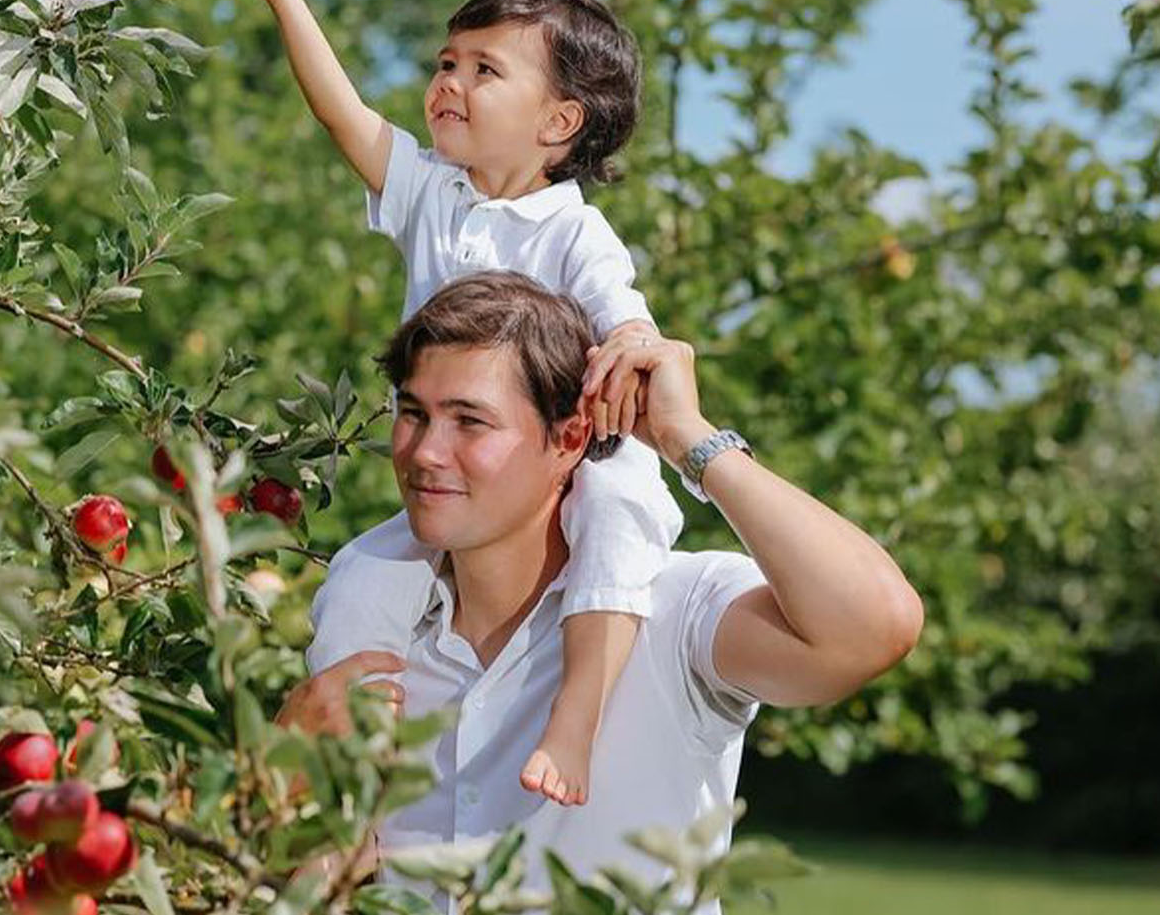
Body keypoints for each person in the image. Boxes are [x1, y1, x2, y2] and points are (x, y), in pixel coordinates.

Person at [210, 0, 679, 806]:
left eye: (485, 70)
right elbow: (341, 112)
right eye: (446, 63)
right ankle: (357, 782)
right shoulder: (432, 192)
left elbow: (629, 326)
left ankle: (574, 723)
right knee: (356, 582)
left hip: (571, 459)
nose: (449, 84)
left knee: (622, 514)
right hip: (467, 472)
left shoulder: (577, 233)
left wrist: (629, 346)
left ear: (558, 122)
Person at [278, 272, 923, 907]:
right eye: (414, 414)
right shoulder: (374, 630)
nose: (425, 452)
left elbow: (875, 627)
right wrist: (280, 784)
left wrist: (687, 438)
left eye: (469, 422)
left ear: (571, 438)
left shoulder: (670, 613)